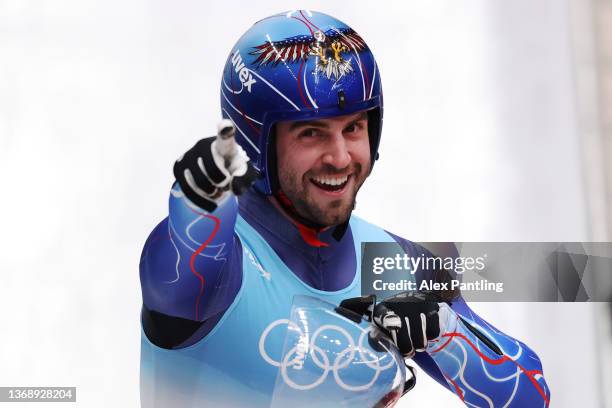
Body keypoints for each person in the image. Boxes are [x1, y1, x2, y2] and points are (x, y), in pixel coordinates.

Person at [139, 10, 550, 407]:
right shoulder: (220, 268)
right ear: (255, 143)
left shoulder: (396, 265)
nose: (340, 157)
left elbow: (532, 396)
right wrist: (197, 199)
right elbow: (184, 261)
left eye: (353, 128)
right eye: (311, 133)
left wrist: (445, 333)